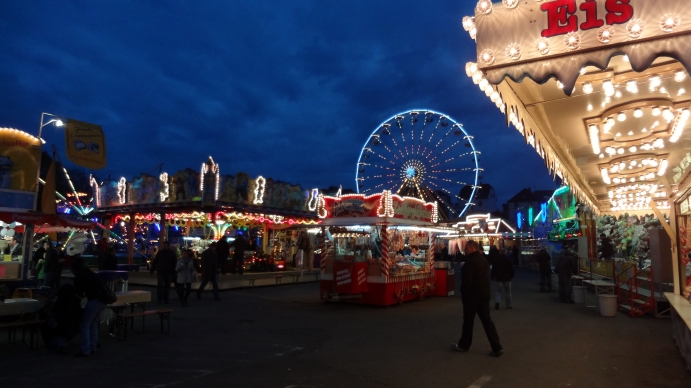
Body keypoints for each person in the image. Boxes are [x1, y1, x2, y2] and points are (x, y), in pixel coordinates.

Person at [451, 240, 504, 357]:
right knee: (487, 321)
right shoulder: (483, 260)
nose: (464, 251)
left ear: (471, 249)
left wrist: (463, 293)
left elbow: (467, 282)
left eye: (465, 249)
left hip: (472, 297)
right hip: (484, 295)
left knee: (468, 322)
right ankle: (497, 346)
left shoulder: (470, 262)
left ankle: (464, 345)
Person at [71, 258, 106, 357]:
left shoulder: (79, 276)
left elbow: (80, 294)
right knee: (94, 323)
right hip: (102, 299)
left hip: (94, 300)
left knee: (85, 325)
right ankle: (92, 347)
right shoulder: (90, 273)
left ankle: (85, 350)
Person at [40, 283, 82, 354]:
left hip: (58, 329)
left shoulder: (59, 302)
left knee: (55, 337)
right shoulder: (75, 302)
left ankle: (61, 345)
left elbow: (50, 312)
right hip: (71, 329)